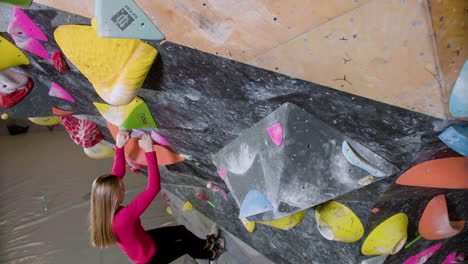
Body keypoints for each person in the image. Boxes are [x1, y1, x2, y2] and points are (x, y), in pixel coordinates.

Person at [89, 130, 223, 264]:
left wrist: (119, 147)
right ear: (114, 196)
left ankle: (205, 244)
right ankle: (211, 254)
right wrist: (149, 151)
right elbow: (153, 188)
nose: (124, 189)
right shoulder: (122, 218)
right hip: (149, 258)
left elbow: (116, 174)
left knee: (180, 231)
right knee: (184, 246)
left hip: (145, 241)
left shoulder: (103, 204)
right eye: (122, 190)